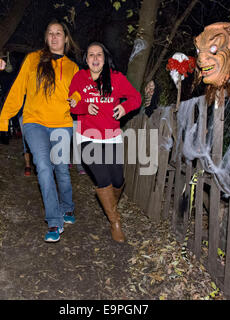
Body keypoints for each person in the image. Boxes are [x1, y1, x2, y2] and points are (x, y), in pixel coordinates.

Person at [0, 20, 80, 242]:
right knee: (43, 167)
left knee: (61, 169)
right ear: (46, 38)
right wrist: (4, 120)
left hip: (62, 123)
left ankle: (68, 207)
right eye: (50, 33)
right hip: (34, 123)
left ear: (66, 38)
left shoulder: (73, 68)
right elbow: (17, 91)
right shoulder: (33, 59)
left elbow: (79, 92)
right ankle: (54, 222)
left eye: (58, 33)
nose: (54, 37)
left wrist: (76, 99)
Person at [68, 42, 141, 243]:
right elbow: (73, 105)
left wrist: (125, 108)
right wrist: (84, 106)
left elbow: (136, 97)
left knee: (117, 180)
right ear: (86, 59)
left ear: (104, 57)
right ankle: (115, 222)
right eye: (91, 54)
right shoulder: (80, 79)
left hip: (111, 137)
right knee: (103, 179)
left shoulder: (116, 78)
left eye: (99, 54)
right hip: (87, 138)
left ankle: (110, 206)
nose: (95, 58)